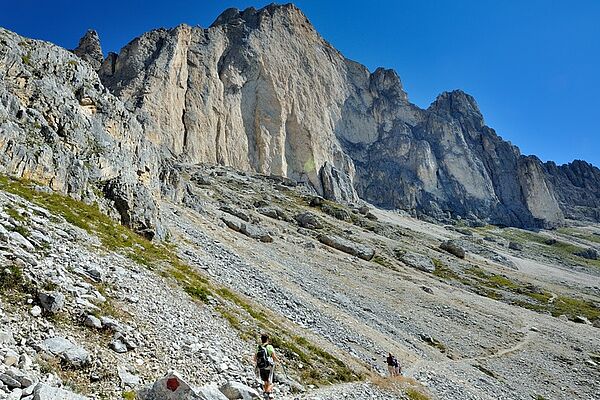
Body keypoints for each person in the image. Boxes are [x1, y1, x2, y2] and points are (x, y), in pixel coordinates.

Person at [255, 333, 279, 399]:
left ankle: (266, 395)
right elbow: (274, 356)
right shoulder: (269, 347)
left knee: (265, 381)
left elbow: (255, 358)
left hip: (261, 367)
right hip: (269, 366)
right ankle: (266, 393)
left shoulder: (259, 347)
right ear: (267, 339)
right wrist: (279, 361)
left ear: (261, 339)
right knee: (272, 382)